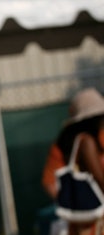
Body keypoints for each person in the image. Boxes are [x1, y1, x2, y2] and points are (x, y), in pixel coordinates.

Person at [56, 88, 104, 235]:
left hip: (80, 220)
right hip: (93, 219)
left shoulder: (73, 142)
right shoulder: (86, 142)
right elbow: (99, 178)